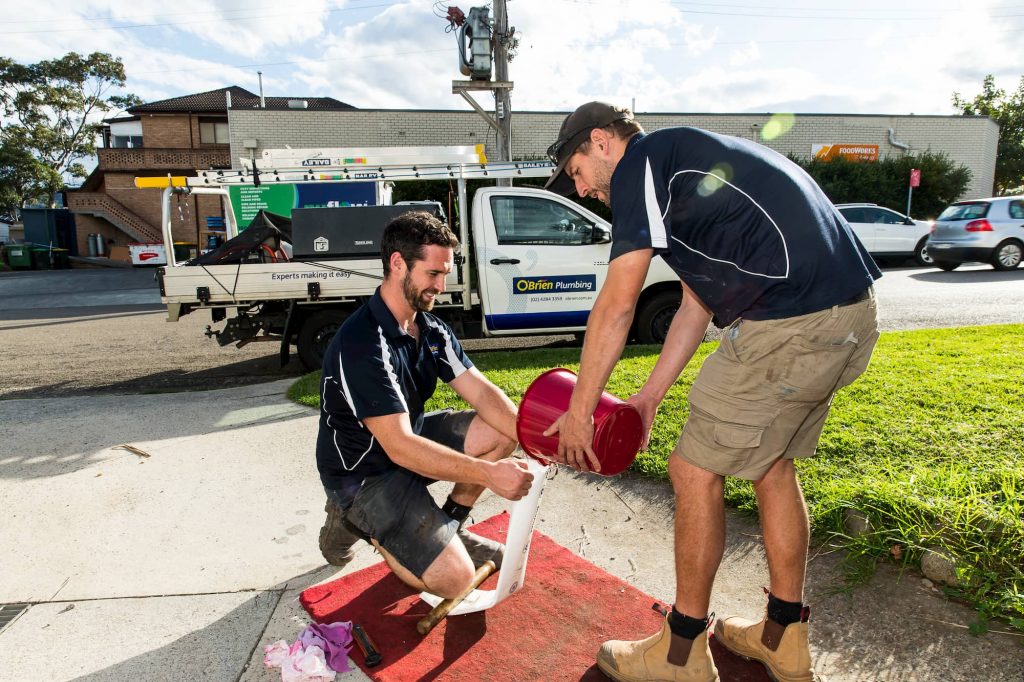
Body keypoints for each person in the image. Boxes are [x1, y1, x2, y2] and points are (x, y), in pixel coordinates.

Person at [543, 102, 880, 682]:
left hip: (791, 326)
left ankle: (680, 653)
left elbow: (618, 303)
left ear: (601, 142)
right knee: (773, 467)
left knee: (693, 470)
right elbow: (695, 306)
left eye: (575, 173)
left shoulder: (641, 166)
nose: (583, 191)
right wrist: (647, 398)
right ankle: (784, 635)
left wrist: (580, 410)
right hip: (848, 319)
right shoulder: (686, 168)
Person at [315, 211, 534, 600]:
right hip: (366, 474)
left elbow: (483, 393)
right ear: (398, 263)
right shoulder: (362, 344)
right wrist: (488, 474)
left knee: (501, 429)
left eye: (445, 273)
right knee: (455, 581)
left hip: (408, 443)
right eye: (433, 274)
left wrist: (531, 438)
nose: (442, 285)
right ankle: (352, 520)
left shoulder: (428, 328)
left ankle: (449, 525)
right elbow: (398, 447)